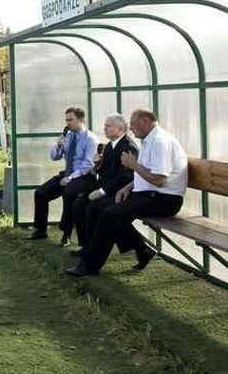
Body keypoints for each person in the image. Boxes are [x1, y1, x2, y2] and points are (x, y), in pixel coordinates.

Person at [66, 109, 188, 277]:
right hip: (147, 194)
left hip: (165, 199)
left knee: (110, 214)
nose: (130, 128)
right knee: (102, 208)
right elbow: (146, 174)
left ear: (145, 122)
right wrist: (127, 188)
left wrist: (134, 165)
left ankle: (89, 266)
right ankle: (143, 250)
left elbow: (159, 180)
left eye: (133, 123)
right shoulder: (148, 140)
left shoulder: (160, 141)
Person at [28, 107, 98, 246]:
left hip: (84, 177)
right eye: (66, 120)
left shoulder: (90, 139)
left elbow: (88, 164)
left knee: (69, 193)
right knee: (40, 193)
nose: (67, 123)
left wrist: (71, 178)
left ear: (81, 120)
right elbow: (54, 157)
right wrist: (58, 146)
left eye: (70, 120)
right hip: (67, 173)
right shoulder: (68, 136)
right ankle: (41, 230)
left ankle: (66, 234)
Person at [71, 114, 137, 256]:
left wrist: (102, 191)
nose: (104, 129)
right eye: (105, 126)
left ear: (121, 128)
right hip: (107, 188)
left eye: (108, 126)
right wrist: (96, 165)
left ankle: (92, 250)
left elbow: (126, 177)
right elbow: (104, 171)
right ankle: (86, 246)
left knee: (94, 208)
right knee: (78, 205)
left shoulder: (128, 147)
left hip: (120, 192)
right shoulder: (110, 146)